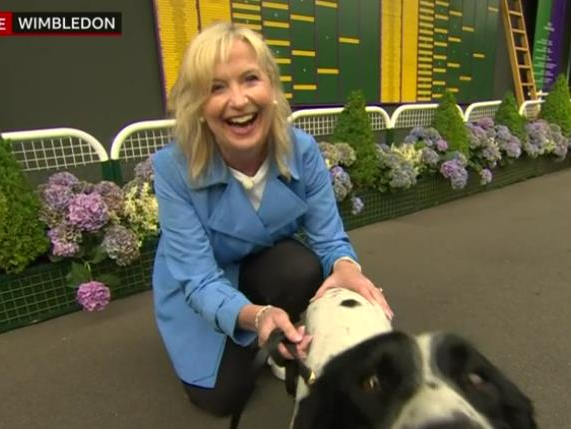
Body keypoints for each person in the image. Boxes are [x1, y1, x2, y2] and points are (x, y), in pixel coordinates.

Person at [151, 22, 394, 417]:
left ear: (272, 87)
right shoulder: (172, 168)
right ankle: (262, 324)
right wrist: (257, 315)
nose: (238, 100)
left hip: (262, 262)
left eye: (250, 79)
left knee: (301, 269)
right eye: (216, 87)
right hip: (200, 278)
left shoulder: (303, 150)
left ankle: (275, 324)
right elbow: (198, 278)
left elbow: (329, 239)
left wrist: (348, 266)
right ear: (197, 106)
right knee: (222, 399)